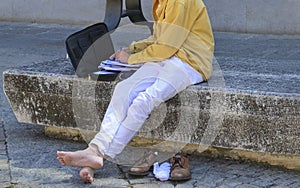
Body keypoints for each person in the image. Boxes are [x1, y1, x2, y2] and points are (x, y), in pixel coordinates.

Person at [57, 0, 214, 183]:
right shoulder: (162, 2)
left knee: (143, 101)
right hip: (167, 58)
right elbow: (159, 39)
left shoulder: (179, 2)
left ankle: (97, 156)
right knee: (123, 90)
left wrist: (131, 59)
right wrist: (129, 50)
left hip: (189, 63)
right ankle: (95, 152)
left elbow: (166, 47)